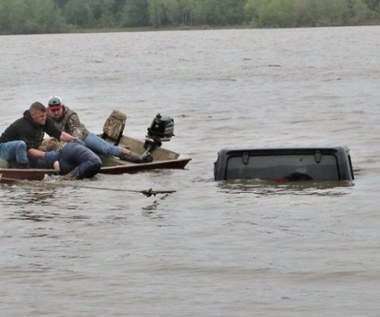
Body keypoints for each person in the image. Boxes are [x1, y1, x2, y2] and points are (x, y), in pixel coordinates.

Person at [47, 96, 152, 163]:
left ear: (62, 107)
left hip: (83, 137)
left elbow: (77, 135)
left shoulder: (71, 116)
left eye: (58, 109)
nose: (56, 112)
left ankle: (138, 157)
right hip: (66, 143)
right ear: (49, 109)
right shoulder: (46, 117)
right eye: (53, 110)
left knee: (106, 149)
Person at [0, 101, 77, 168]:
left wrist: (74, 139)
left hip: (26, 149)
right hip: (4, 148)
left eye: (45, 115)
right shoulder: (25, 126)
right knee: (21, 145)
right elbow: (29, 150)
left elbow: (59, 134)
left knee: (52, 145)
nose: (44, 118)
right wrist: (46, 155)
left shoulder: (44, 119)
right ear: (33, 116)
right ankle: (23, 169)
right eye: (41, 116)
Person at [37, 138, 102, 180]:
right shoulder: (71, 144)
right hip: (97, 163)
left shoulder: (62, 154)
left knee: (64, 179)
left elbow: (59, 169)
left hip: (90, 163)